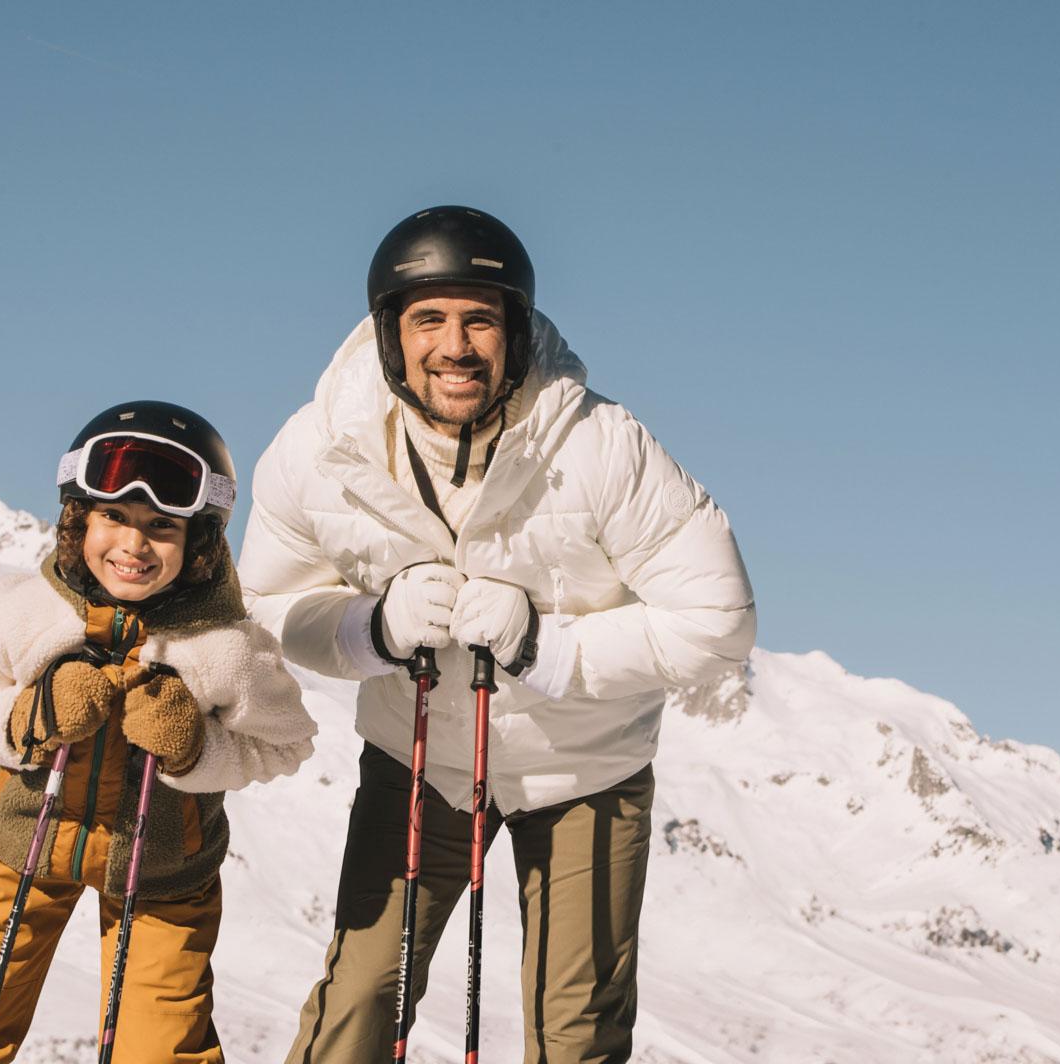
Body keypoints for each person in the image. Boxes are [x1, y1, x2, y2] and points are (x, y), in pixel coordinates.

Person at [240, 206, 757, 1062]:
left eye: (480, 318)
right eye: (429, 320)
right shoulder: (323, 447)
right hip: (417, 762)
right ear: (388, 334)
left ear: (515, 329)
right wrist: (372, 628)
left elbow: (719, 621)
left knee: (575, 1031)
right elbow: (269, 603)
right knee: (358, 1004)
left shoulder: (598, 445)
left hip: (586, 773)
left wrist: (545, 648)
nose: (456, 345)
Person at [0, 401, 319, 1063]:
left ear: (200, 541)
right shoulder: (21, 612)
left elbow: (286, 742)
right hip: (19, 842)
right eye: (113, 517)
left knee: (160, 1050)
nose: (133, 545)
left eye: (161, 527)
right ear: (77, 519)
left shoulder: (226, 646)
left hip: (163, 867)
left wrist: (193, 747)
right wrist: (29, 717)